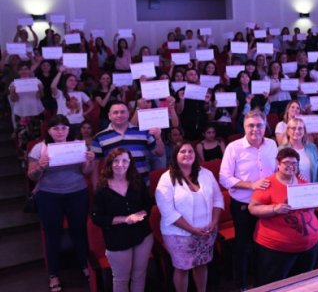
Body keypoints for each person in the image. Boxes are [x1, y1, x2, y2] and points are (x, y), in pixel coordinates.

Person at [27, 115, 95, 292]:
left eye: (63, 128)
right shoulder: (39, 148)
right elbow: (31, 176)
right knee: (52, 235)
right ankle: (53, 274)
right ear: (48, 130)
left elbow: (87, 171)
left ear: (68, 129)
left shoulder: (77, 145)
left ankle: (84, 265)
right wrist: (40, 165)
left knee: (79, 231)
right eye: (55, 128)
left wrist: (89, 160)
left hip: (77, 193)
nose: (60, 131)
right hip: (49, 196)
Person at [249, 148, 318, 286]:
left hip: (308, 246)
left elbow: (309, 209)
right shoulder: (268, 183)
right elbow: (253, 208)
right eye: (286, 162)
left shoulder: (303, 182)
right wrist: (274, 208)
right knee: (274, 285)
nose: (290, 165)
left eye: (294, 163)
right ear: (278, 164)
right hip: (277, 249)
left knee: (303, 284)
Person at [219, 110, 278, 289]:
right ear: (244, 126)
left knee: (266, 245)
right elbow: (224, 177)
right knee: (243, 247)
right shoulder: (233, 147)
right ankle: (242, 285)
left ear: (265, 125)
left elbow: (276, 171)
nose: (255, 129)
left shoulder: (272, 144)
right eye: (250, 125)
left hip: (268, 204)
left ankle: (264, 284)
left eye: (259, 125)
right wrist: (251, 185)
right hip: (243, 204)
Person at [156, 142, 223, 292]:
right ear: (175, 156)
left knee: (201, 264)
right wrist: (192, 229)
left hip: (206, 230)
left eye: (190, 151)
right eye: (183, 151)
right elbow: (168, 212)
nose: (187, 154)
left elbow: (218, 198)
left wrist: (214, 222)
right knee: (182, 268)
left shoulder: (206, 173)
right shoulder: (166, 179)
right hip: (179, 234)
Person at [91, 148, 153, 292]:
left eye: (125, 160)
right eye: (116, 161)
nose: (120, 164)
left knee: (139, 275)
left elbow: (148, 204)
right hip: (117, 239)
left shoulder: (137, 182)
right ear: (110, 164)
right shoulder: (102, 188)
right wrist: (125, 219)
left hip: (142, 235)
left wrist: (142, 213)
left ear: (130, 163)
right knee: (121, 279)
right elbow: (97, 218)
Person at [91, 101, 165, 187]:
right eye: (115, 112)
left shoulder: (143, 132)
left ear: (128, 114)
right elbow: (95, 168)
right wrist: (96, 188)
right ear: (109, 116)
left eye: (123, 112)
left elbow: (160, 153)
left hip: (142, 184)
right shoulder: (99, 137)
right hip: (114, 187)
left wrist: (158, 138)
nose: (119, 115)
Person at [279, 117, 318, 182]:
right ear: (288, 131)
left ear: (304, 131)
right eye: (293, 128)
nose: (297, 131)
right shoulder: (281, 149)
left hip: (312, 188)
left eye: (300, 128)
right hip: (291, 187)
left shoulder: (312, 148)